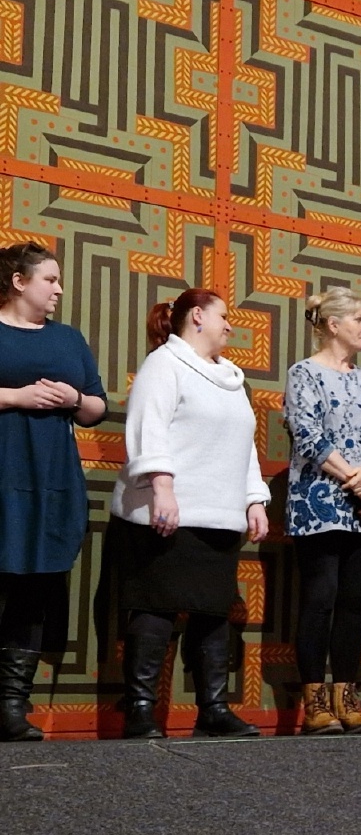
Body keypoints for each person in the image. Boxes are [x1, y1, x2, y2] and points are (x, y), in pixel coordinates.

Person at [107, 288, 270, 739]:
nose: (230, 325)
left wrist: (254, 499)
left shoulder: (231, 378)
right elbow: (149, 428)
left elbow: (244, 446)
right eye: (223, 316)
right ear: (197, 316)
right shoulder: (165, 364)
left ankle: (212, 709)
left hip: (219, 516)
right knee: (155, 606)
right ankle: (140, 710)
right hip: (168, 514)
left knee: (213, 611)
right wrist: (162, 488)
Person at [0, 242, 107, 741]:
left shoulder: (67, 339)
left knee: (34, 586)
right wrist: (15, 396)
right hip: (5, 468)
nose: (59, 289)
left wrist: (75, 397)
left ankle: (10, 707)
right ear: (19, 282)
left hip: (50, 477)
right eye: (49, 279)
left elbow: (97, 407)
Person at [285, 287, 361, 736]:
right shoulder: (304, 373)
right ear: (333, 325)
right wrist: (356, 479)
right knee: (320, 599)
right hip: (320, 502)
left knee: (353, 603)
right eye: (359, 320)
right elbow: (308, 436)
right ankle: (315, 705)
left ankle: (347, 701)